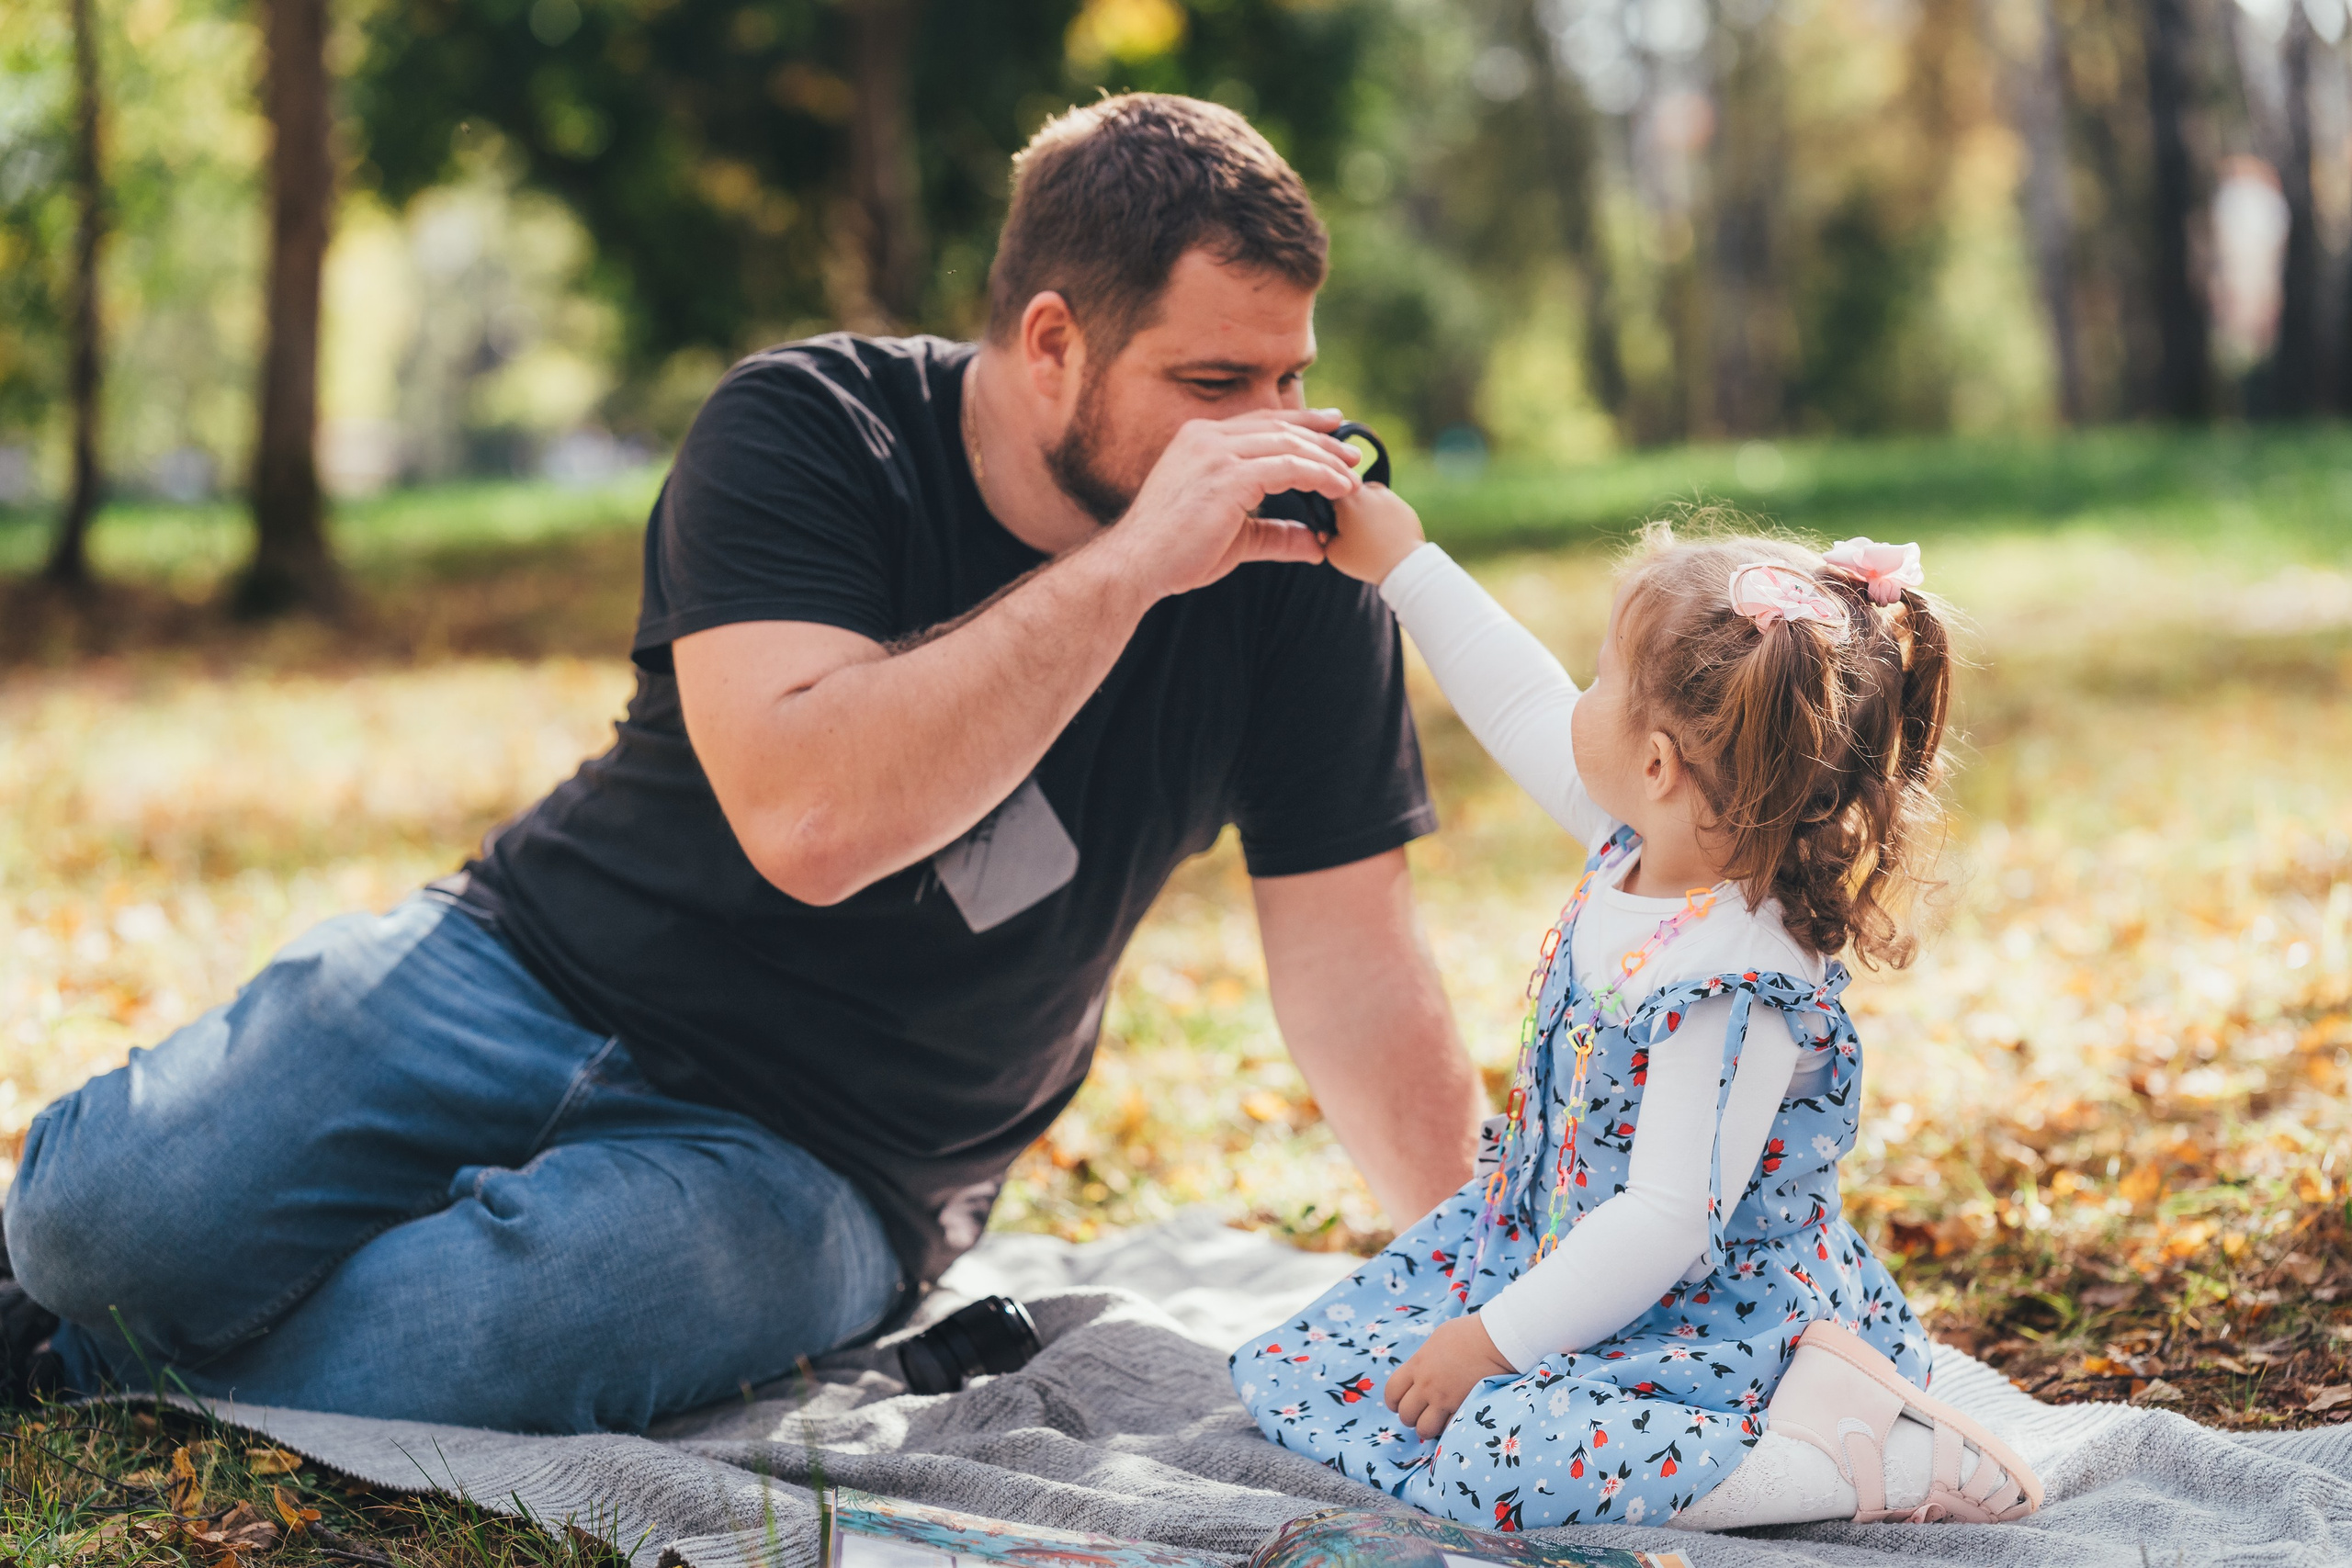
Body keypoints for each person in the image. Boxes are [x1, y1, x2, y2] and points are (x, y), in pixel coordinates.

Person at [0, 94, 1485, 1433]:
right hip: (529, 969)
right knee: (87, 1221)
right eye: (1218, 383)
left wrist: (1505, 1289)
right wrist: (1135, 568)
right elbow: (814, 814)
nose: (1279, 437)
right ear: (1052, 345)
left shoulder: (1297, 575)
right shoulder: (813, 428)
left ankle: (82, 1371)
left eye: (1294, 378)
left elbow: (1356, 976)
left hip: (839, 1157)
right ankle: (96, 1307)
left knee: (446, 1336)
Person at [1232, 498, 2046, 1531]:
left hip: (1718, 1336)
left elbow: (1664, 1223)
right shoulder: (1645, 845)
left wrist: (1488, 1342)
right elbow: (1520, 703)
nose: (1579, 695)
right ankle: (1589, 1387)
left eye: (1602, 680)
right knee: (1319, 1371)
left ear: (1658, 765)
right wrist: (1402, 562)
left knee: (1495, 1461)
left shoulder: (1734, 982)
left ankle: (1839, 1458)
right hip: (1570, 1267)